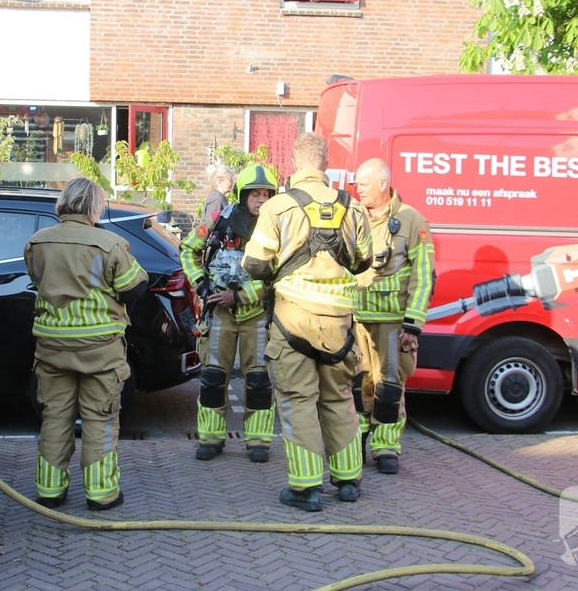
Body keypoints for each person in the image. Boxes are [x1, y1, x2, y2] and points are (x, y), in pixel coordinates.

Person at [242, 133, 373, 511]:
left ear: (295, 163)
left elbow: (254, 263)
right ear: (325, 163)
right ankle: (348, 481)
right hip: (340, 324)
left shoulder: (278, 207)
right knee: (338, 398)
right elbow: (364, 259)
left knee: (299, 400)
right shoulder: (354, 207)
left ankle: (305, 488)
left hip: (292, 320)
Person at [24, 177, 148, 511]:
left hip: (51, 348)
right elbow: (135, 286)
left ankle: (49, 491)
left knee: (55, 417)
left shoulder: (37, 242)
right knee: (100, 419)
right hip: (100, 351)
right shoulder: (109, 244)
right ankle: (101, 494)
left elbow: (38, 279)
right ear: (94, 206)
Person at [180, 164, 278, 463]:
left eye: (266, 194)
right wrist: (201, 284)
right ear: (242, 194)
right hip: (219, 313)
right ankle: (211, 438)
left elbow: (280, 271)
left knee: (259, 382)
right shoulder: (217, 219)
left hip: (257, 315)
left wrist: (240, 295)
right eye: (255, 194)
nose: (261, 200)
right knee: (212, 378)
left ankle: (258, 441)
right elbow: (187, 251)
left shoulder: (279, 227)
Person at [352, 159, 435, 475]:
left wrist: (413, 324)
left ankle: (386, 447)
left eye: (363, 183)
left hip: (393, 323)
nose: (357, 189)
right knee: (358, 384)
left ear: (383, 184)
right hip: (357, 321)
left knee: (389, 387)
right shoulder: (354, 219)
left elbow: (423, 276)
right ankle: (357, 440)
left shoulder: (412, 221)